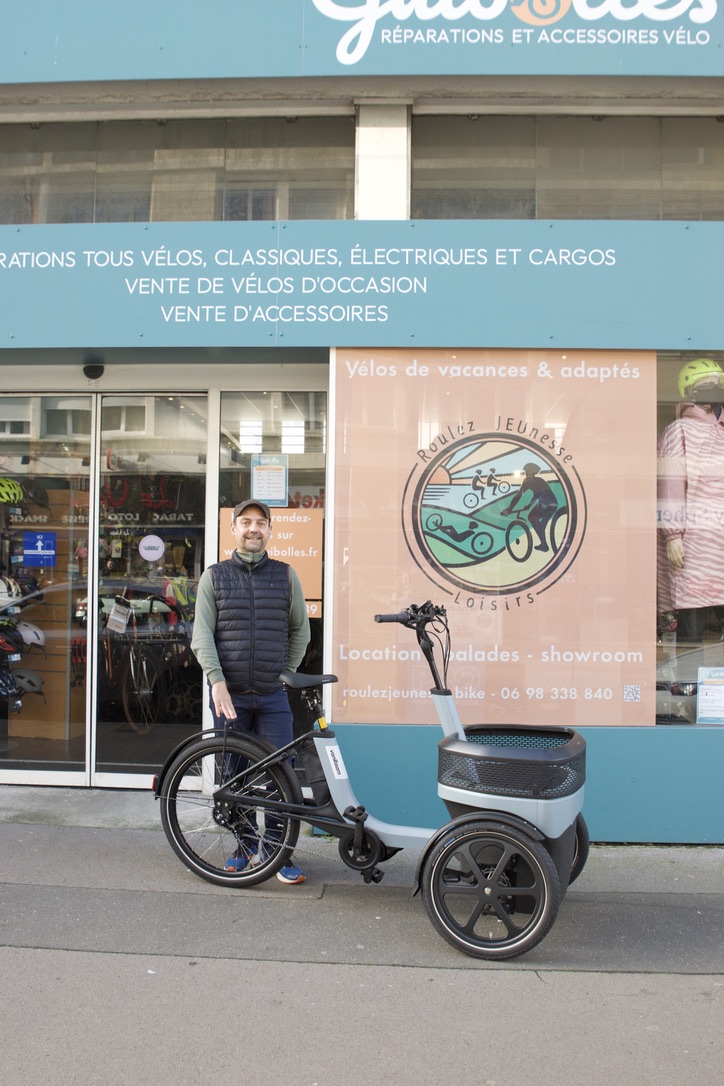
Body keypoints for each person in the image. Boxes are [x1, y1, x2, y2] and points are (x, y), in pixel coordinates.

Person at [191, 498, 310, 883]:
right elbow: (201, 636)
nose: (253, 528)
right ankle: (244, 846)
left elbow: (301, 631)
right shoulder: (215, 576)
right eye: (245, 522)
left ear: (270, 531)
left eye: (261, 523)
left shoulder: (286, 575)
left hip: (272, 696)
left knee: (281, 775)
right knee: (234, 777)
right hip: (231, 695)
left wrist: (285, 673)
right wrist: (217, 681)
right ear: (234, 530)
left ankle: (277, 853)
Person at [657, 358, 724, 650]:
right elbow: (669, 484)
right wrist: (673, 535)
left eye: (716, 384)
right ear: (688, 391)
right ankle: (689, 687)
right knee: (693, 623)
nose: (712, 390)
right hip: (696, 544)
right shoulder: (679, 430)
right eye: (703, 386)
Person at [501, 463, 557, 552]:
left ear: (533, 473)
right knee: (535, 520)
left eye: (528, 472)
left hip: (547, 503)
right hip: (545, 503)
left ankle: (544, 543)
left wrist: (529, 505)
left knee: (535, 520)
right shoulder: (527, 481)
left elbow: (539, 494)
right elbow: (519, 495)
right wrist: (510, 508)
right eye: (526, 472)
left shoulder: (538, 480)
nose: (527, 474)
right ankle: (544, 544)